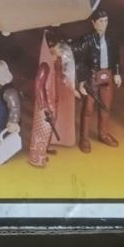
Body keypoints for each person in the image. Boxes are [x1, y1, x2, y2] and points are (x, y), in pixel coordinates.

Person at [27, 30, 76, 168]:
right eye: (56, 49)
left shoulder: (53, 64)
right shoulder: (45, 66)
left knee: (49, 129)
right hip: (45, 105)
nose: (59, 52)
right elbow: (38, 85)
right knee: (42, 131)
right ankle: (37, 158)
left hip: (52, 102)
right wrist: (42, 106)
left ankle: (45, 149)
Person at [76, 9, 121, 152]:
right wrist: (81, 81)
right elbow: (80, 61)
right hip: (92, 76)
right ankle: (84, 138)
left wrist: (117, 73)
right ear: (93, 23)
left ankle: (104, 134)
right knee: (88, 108)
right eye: (101, 21)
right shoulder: (87, 40)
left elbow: (116, 56)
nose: (104, 24)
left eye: (106, 21)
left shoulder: (111, 38)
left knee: (106, 107)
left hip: (107, 75)